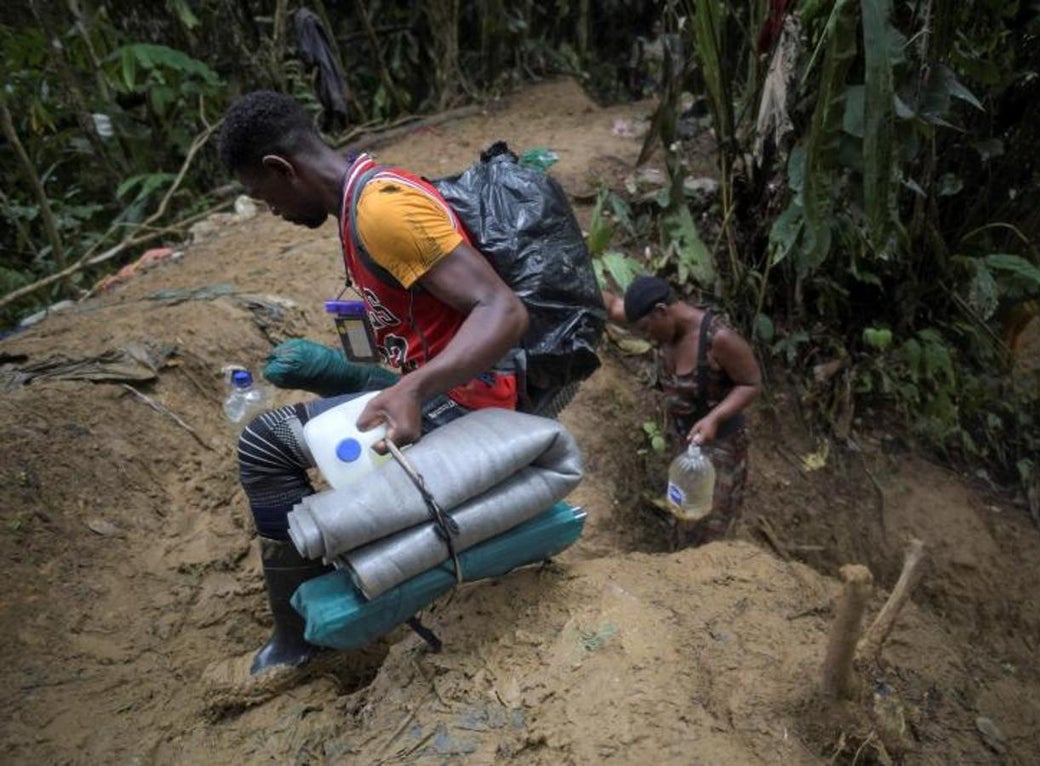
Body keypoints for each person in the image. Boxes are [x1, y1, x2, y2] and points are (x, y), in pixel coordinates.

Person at [214, 91, 528, 678]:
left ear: (283, 170)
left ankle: (299, 641)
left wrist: (412, 390)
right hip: (442, 384)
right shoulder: (360, 197)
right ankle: (317, 605)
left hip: (468, 402)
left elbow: (503, 311)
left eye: (263, 195)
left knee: (264, 443)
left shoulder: (381, 212)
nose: (268, 209)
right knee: (297, 427)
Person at [603, 276, 761, 547]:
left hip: (720, 446)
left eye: (646, 328)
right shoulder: (662, 326)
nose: (646, 336)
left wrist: (714, 418)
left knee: (710, 531)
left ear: (661, 311)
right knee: (683, 515)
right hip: (687, 444)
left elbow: (751, 383)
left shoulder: (718, 339)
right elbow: (612, 304)